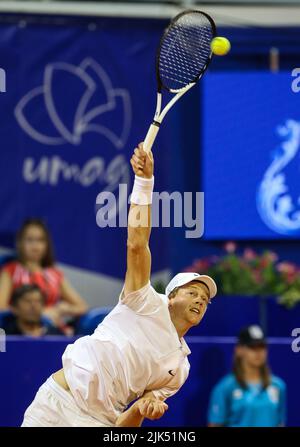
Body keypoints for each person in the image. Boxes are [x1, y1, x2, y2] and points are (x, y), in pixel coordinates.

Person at [21, 143, 217, 427]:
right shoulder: (144, 300)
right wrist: (144, 181)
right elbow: (137, 243)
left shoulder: (179, 369)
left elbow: (125, 426)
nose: (200, 300)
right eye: (192, 292)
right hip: (57, 403)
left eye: (205, 299)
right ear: (171, 296)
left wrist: (141, 410)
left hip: (100, 422)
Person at [0, 218, 88, 328]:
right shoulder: (10, 271)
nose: (35, 246)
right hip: (21, 332)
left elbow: (82, 306)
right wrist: (39, 313)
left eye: (40, 240)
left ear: (47, 245)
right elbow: (1, 308)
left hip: (52, 331)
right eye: (30, 240)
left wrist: (61, 309)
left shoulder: (54, 274)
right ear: (20, 243)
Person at [207, 325, 287, 427]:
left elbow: (280, 423)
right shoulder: (224, 388)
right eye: (252, 347)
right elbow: (215, 424)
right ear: (239, 350)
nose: (258, 352)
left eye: (262, 346)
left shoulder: (278, 386)